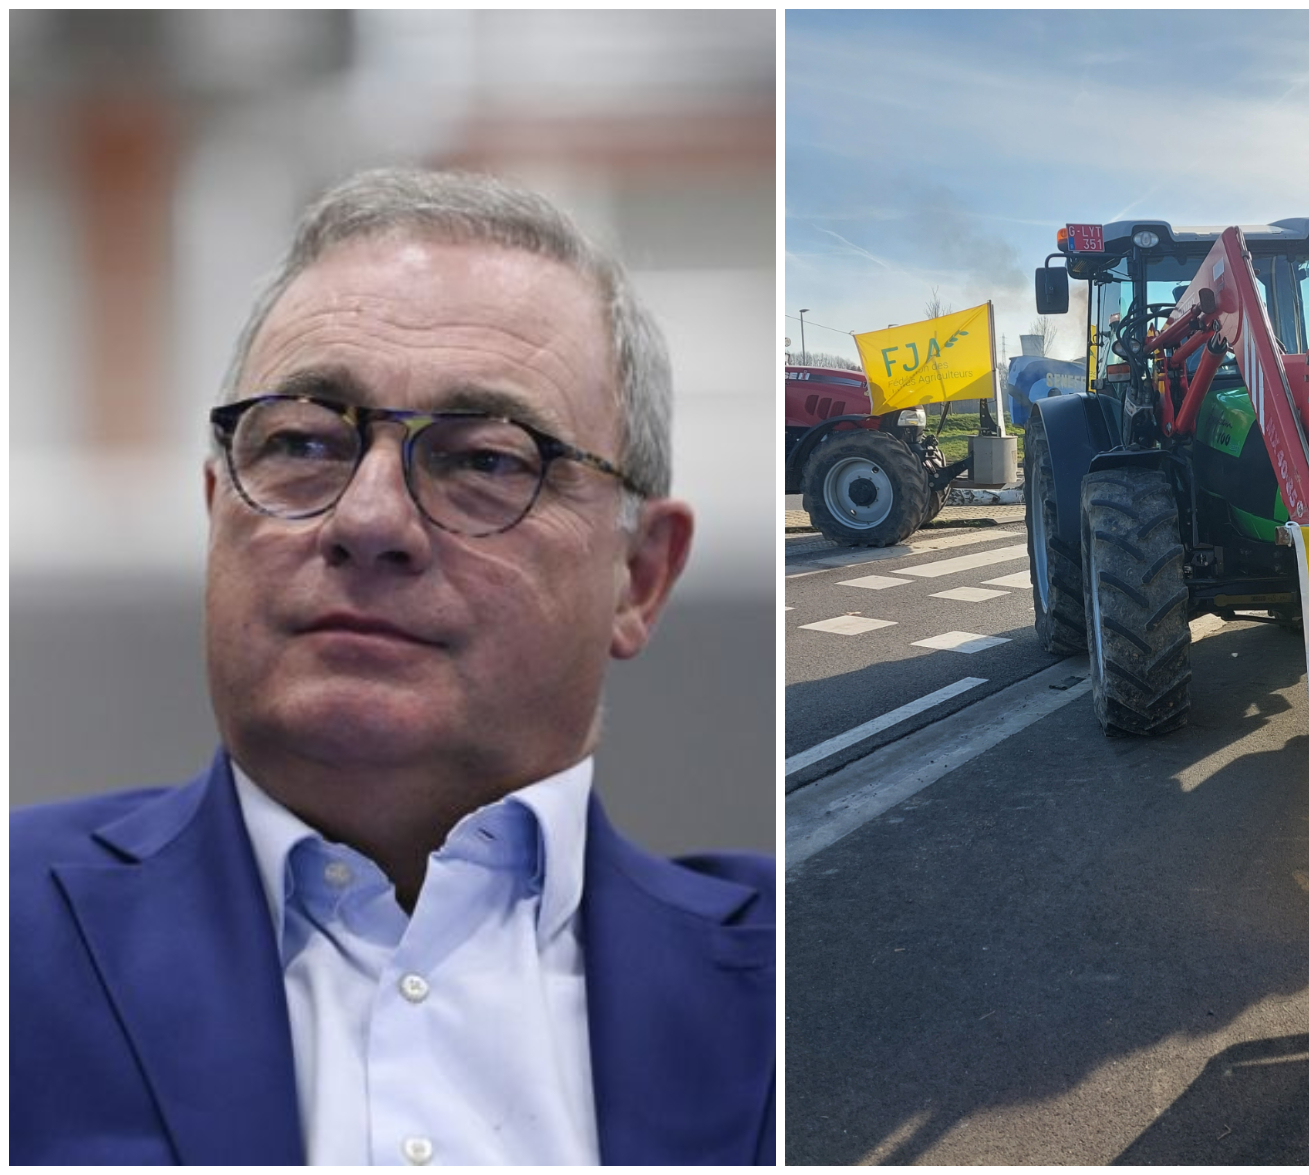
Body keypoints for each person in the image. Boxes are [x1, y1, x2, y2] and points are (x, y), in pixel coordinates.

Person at [10, 168, 775, 1165]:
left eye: (486, 459)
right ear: (216, 516)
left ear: (638, 576)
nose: (367, 519)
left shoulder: (783, 978)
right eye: (302, 442)